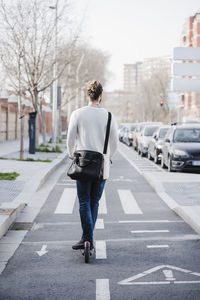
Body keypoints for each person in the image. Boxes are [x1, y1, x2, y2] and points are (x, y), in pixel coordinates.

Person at [67, 80, 118, 250]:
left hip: (82, 164)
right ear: (101, 95)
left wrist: (71, 154)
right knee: (94, 202)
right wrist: (107, 156)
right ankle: (88, 239)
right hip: (101, 168)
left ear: (87, 94)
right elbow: (115, 144)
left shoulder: (77, 114)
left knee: (83, 202)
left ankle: (87, 239)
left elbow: (70, 140)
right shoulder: (109, 116)